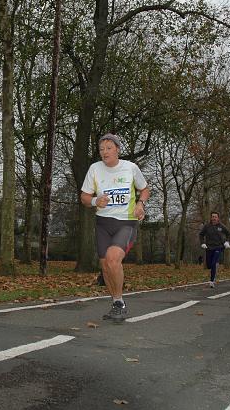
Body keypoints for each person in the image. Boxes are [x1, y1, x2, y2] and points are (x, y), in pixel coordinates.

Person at [81, 133, 149, 323]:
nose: (105, 152)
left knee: (112, 259)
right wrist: (95, 200)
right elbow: (84, 197)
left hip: (126, 222)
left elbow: (145, 189)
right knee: (105, 266)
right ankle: (116, 302)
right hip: (103, 223)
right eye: (101, 149)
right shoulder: (94, 169)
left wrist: (140, 204)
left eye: (109, 148)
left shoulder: (130, 168)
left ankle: (119, 304)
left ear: (117, 149)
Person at [198, 212, 230, 288]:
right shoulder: (207, 226)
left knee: (213, 263)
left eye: (215, 217)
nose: (214, 218)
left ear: (218, 218)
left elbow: (228, 234)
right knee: (209, 265)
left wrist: (227, 242)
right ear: (211, 218)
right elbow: (201, 234)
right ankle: (215, 267)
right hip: (209, 247)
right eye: (213, 217)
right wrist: (202, 243)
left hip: (218, 247)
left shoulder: (221, 226)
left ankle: (212, 281)